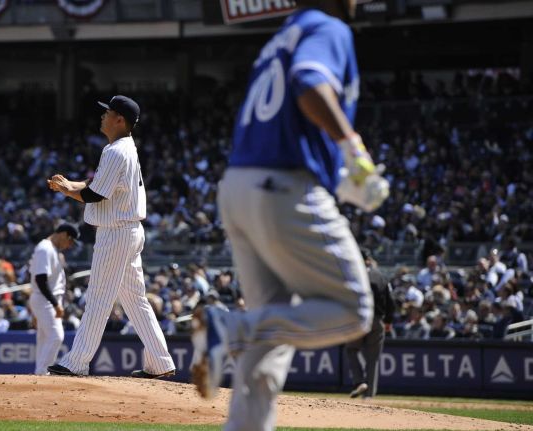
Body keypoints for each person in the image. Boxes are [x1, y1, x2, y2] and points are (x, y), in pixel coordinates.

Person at [188, 1, 389, 430]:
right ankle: (230, 328)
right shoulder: (328, 27)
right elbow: (309, 82)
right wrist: (353, 147)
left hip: (240, 185)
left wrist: (338, 174)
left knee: (268, 347)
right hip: (282, 187)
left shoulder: (281, 35)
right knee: (354, 309)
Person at [46, 95, 175, 379]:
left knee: (98, 299)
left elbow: (94, 194)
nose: (102, 116)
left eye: (108, 113)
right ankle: (161, 361)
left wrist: (69, 191)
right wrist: (70, 184)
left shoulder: (116, 151)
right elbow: (96, 185)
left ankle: (77, 362)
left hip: (116, 233)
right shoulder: (123, 148)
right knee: (135, 299)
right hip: (127, 231)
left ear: (120, 120)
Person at [28, 224, 79, 375]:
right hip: (45, 299)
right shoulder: (45, 248)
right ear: (63, 234)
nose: (70, 245)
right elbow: (40, 280)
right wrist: (56, 304)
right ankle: (43, 372)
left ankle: (39, 372)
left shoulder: (52, 250)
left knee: (44, 338)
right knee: (56, 336)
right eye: (70, 241)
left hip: (43, 300)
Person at [345, 248, 395, 399]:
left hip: (358, 319)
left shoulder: (352, 274)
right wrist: (388, 321)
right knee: (373, 359)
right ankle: (368, 396)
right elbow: (390, 302)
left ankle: (359, 381)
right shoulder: (381, 276)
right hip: (377, 319)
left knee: (351, 350)